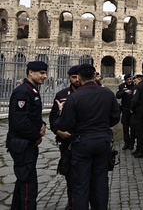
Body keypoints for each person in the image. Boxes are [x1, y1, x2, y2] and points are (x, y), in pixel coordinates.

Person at [58, 64, 120, 210]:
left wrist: (62, 112)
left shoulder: (74, 97)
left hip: (82, 143)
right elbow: (115, 117)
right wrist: (102, 126)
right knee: (100, 183)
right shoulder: (107, 93)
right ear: (94, 76)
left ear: (79, 77)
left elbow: (66, 124)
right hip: (103, 141)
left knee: (80, 184)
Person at [6, 61, 48, 209]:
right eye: (42, 73)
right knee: (28, 186)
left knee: (22, 181)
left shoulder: (31, 90)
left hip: (26, 142)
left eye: (45, 73)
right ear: (31, 72)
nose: (45, 76)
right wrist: (36, 135)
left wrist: (42, 124)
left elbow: (32, 115)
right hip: (22, 143)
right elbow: (20, 122)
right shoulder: (23, 92)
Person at [49, 64, 81, 210]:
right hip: (66, 141)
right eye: (74, 77)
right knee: (69, 173)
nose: (77, 80)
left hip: (83, 139)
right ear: (69, 78)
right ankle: (72, 201)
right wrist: (57, 131)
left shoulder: (88, 94)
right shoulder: (61, 95)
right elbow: (53, 116)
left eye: (79, 77)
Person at [116, 73, 136, 150]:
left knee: (133, 127)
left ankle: (132, 143)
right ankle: (126, 142)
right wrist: (124, 92)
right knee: (125, 127)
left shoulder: (135, 86)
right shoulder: (122, 86)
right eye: (127, 80)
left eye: (130, 79)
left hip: (133, 110)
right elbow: (117, 95)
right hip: (125, 109)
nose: (129, 81)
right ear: (125, 80)